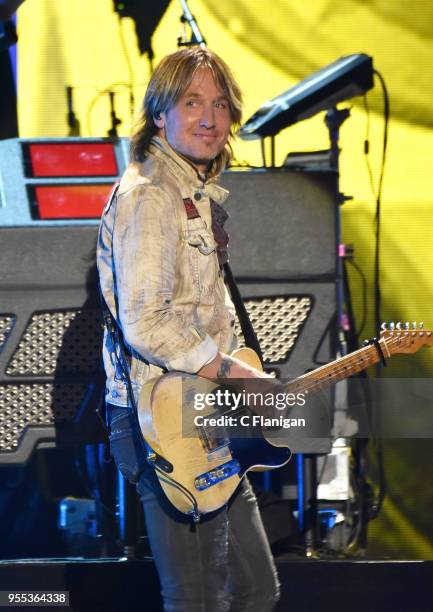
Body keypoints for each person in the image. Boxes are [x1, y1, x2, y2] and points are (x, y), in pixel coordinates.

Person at [97, 46, 280, 612]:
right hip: (159, 418)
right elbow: (147, 323)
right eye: (192, 102)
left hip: (202, 413)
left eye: (220, 104)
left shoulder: (190, 191)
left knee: (253, 591)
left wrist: (238, 372)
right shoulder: (150, 196)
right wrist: (236, 373)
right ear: (159, 114)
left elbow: (201, 306)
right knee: (200, 599)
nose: (209, 118)